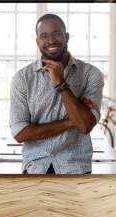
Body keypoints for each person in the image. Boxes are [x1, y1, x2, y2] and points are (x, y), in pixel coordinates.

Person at [9, 13, 104, 174]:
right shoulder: (22, 78)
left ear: (66, 36)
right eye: (44, 36)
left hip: (76, 167)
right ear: (38, 41)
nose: (51, 40)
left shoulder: (90, 74)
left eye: (56, 33)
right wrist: (71, 121)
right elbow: (20, 133)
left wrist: (61, 84)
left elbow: (85, 125)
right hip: (35, 167)